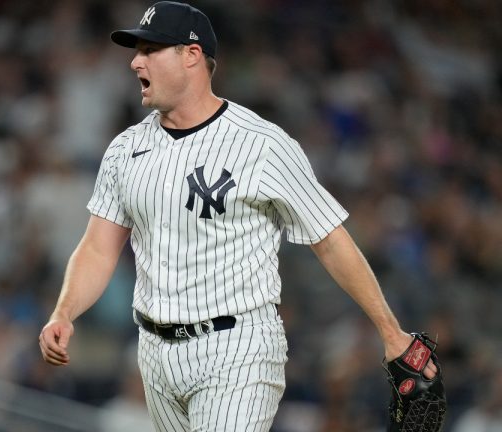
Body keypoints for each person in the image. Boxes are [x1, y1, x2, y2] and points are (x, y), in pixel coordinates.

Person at [39, 2, 437, 431]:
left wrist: (391, 332)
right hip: (153, 354)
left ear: (191, 56)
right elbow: (98, 248)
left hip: (237, 348)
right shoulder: (125, 150)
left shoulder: (261, 144)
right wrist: (64, 312)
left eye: (150, 49)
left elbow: (330, 238)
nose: (135, 60)